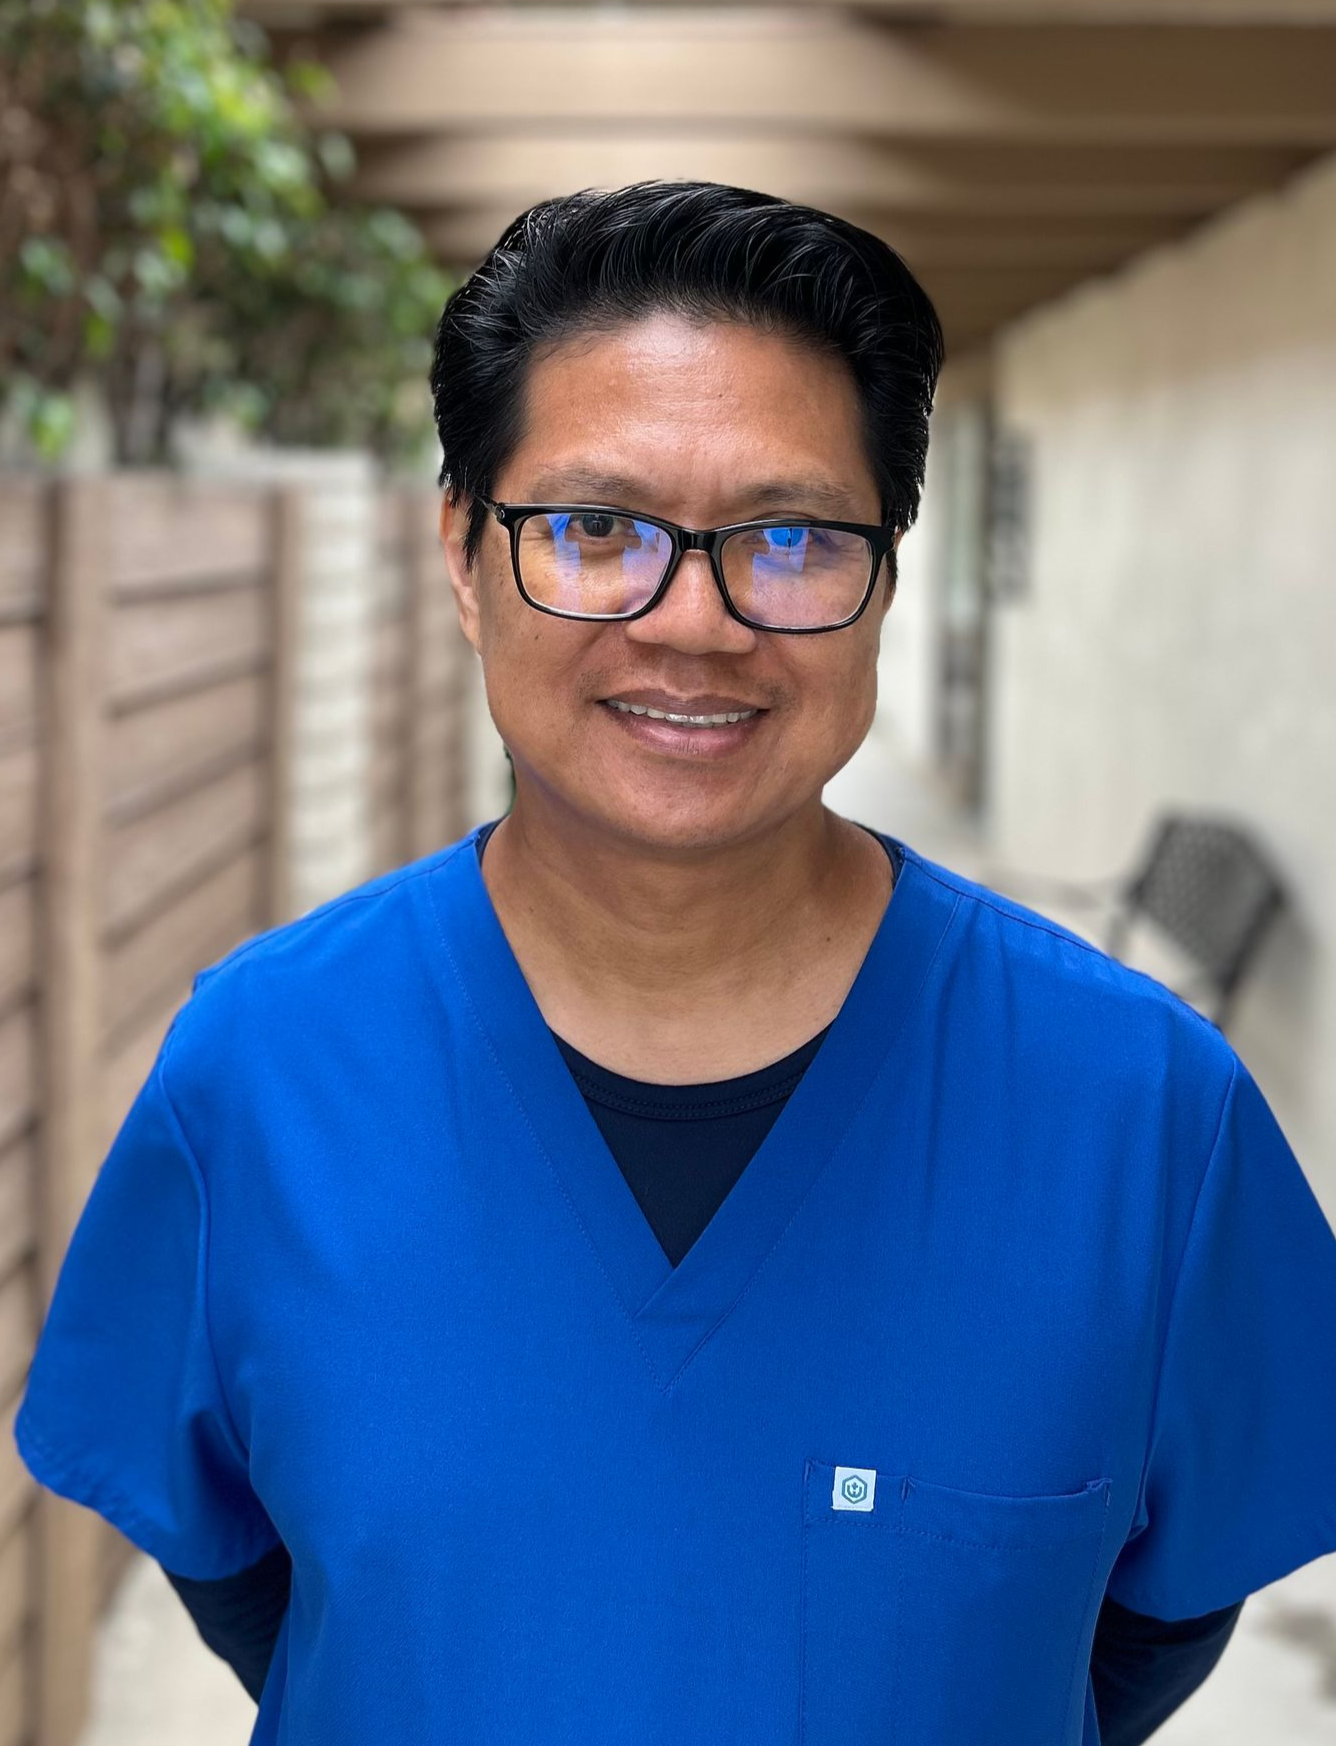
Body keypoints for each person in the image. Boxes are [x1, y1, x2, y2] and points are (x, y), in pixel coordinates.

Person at [14, 181, 1336, 1746]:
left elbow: (1158, 1619)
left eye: (789, 536)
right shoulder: (261, 1073)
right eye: (593, 530)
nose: (695, 621)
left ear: (887, 577)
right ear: (463, 551)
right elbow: (247, 1571)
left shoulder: (1141, 1116)